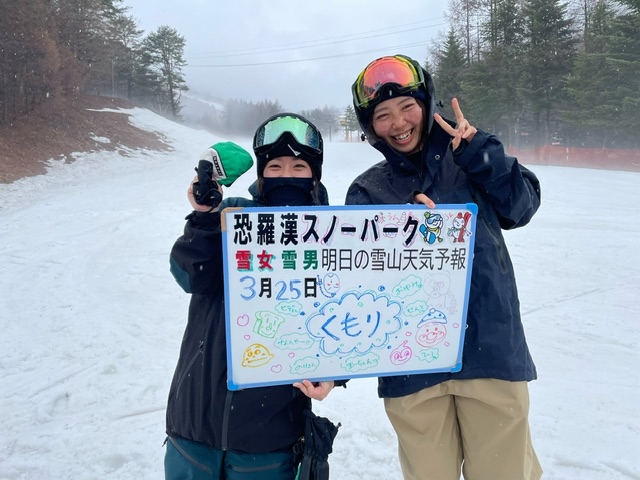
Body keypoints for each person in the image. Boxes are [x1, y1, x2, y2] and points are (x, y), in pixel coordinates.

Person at [345, 54, 543, 480]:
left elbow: (521, 207)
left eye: (407, 107)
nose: (398, 123)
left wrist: (483, 156)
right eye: (382, 115)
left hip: (489, 349)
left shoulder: (469, 156)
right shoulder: (367, 189)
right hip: (411, 366)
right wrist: (402, 227)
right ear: (370, 126)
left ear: (427, 103)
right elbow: (354, 279)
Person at [165, 113, 342, 480]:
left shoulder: (334, 235)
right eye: (275, 166)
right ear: (261, 174)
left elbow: (346, 314)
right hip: (195, 421)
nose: (287, 175)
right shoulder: (232, 216)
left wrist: (335, 373)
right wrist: (202, 218)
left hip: (270, 437)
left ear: (315, 174)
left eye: (299, 166)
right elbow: (188, 276)